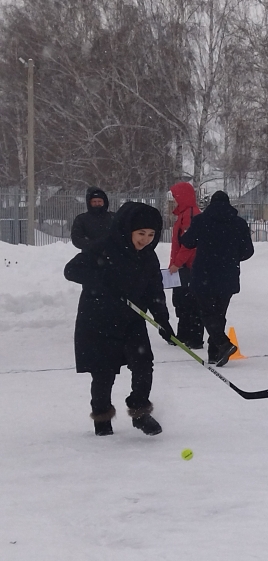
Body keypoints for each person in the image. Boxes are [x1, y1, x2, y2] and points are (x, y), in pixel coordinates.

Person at [63, 202, 174, 436]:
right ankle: (102, 417)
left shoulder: (148, 257)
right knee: (104, 372)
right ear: (128, 229)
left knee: (144, 364)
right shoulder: (103, 248)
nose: (145, 240)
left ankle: (140, 412)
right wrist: (102, 281)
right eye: (141, 233)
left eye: (151, 234)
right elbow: (71, 270)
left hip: (132, 320)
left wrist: (163, 320)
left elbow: (154, 290)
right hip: (99, 319)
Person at [179, 191, 255, 366]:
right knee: (219, 314)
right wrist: (232, 257)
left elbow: (188, 242)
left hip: (203, 273)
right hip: (228, 274)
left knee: (206, 313)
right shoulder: (239, 223)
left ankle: (223, 344)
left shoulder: (201, 220)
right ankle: (215, 353)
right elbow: (248, 251)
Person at [166, 182, 204, 349]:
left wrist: (177, 263)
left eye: (175, 197)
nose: (173, 201)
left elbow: (190, 244)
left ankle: (193, 337)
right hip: (184, 267)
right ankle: (184, 334)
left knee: (190, 303)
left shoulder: (190, 215)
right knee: (181, 302)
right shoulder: (184, 214)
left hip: (189, 267)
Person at [70, 187, 115, 253]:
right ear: (89, 203)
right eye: (94, 201)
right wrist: (93, 245)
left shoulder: (113, 218)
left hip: (111, 255)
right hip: (89, 255)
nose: (97, 204)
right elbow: (76, 239)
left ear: (104, 202)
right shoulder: (81, 219)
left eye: (99, 201)